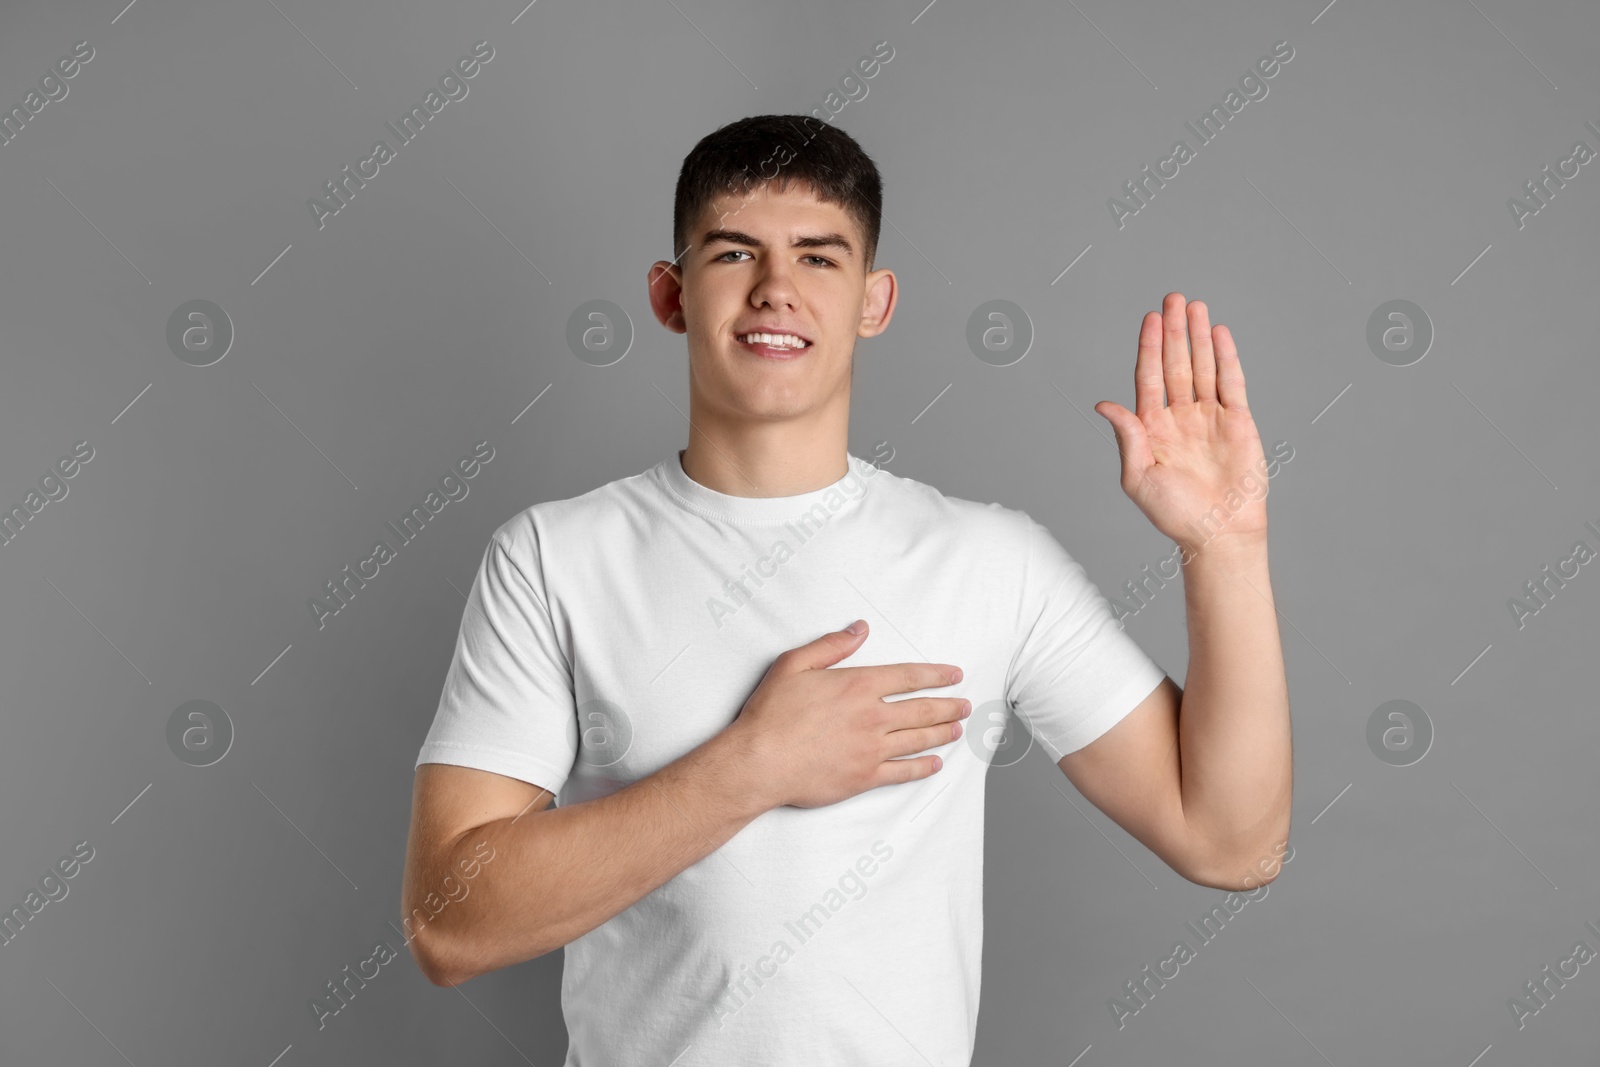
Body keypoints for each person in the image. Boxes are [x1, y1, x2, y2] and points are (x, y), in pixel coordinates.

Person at [400, 113, 1292, 1065]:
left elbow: (1232, 844)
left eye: (820, 259)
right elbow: (450, 926)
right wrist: (752, 766)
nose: (776, 290)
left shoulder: (993, 560)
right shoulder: (551, 557)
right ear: (671, 295)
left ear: (875, 300)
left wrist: (1226, 547)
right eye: (736, 252)